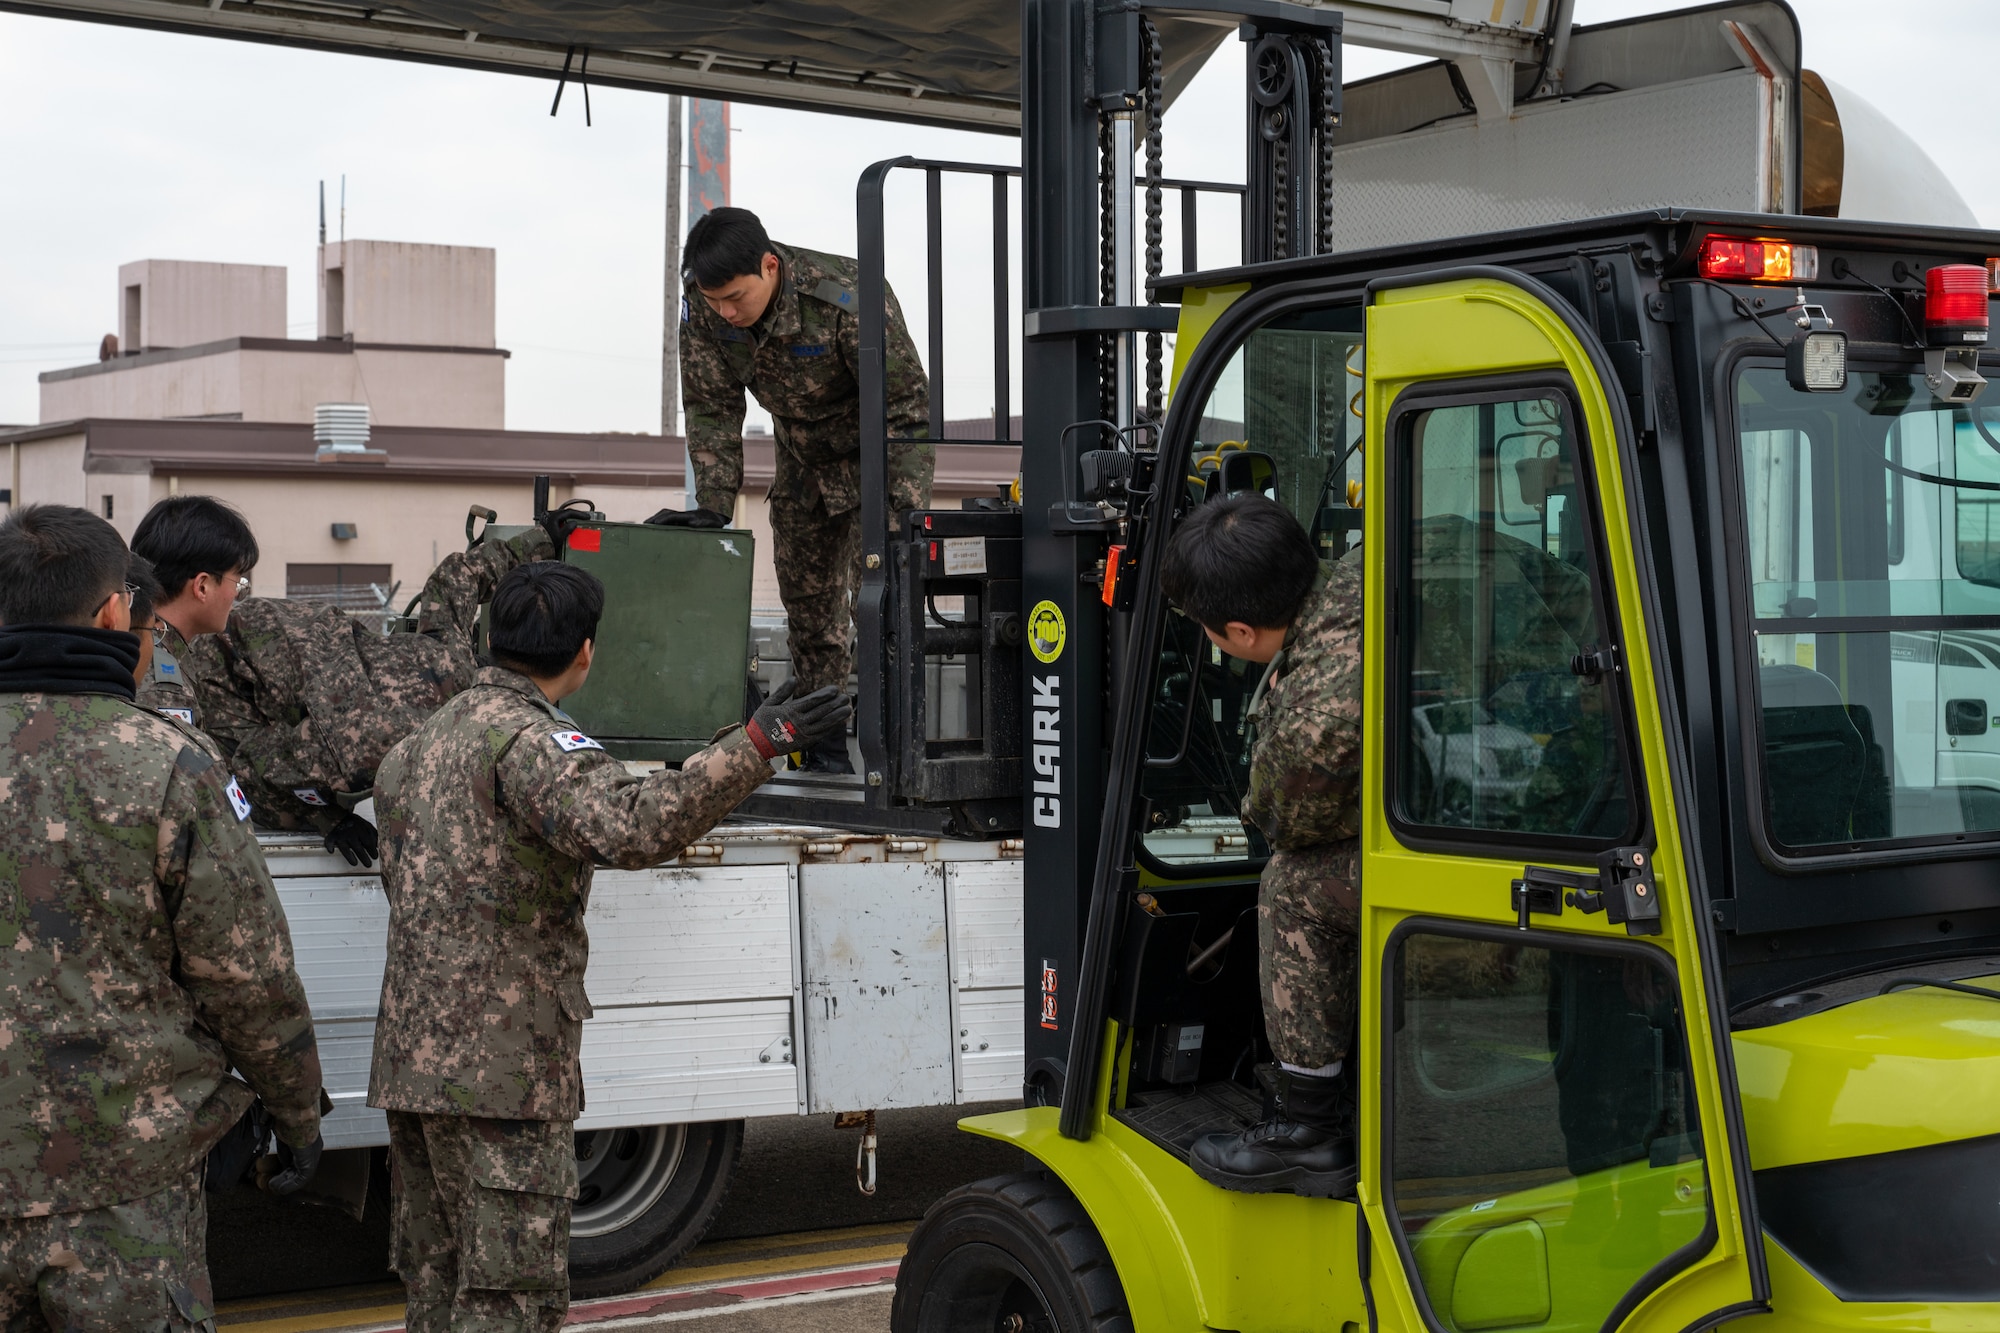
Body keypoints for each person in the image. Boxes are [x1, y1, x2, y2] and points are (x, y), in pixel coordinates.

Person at [367, 561, 850, 1330]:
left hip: (412, 1065)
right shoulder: (530, 741)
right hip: (501, 1075)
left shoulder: (417, 744)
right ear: (585, 651)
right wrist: (758, 743)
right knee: (509, 1299)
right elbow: (632, 823)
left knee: (442, 1287)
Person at [0, 504, 327, 1327]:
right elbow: (249, 977)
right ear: (116, 609)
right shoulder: (168, 763)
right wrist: (295, 1114)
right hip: (125, 1186)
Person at [656, 205, 934, 772]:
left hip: (874, 462)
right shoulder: (705, 312)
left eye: (736, 297)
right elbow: (711, 408)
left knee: (883, 607)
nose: (727, 313)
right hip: (803, 464)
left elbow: (906, 411)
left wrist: (901, 513)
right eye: (715, 301)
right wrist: (713, 505)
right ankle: (825, 753)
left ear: (770, 266)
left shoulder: (847, 298)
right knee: (810, 618)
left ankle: (902, 758)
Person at [132, 495, 555, 863]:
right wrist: (325, 816)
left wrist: (538, 543)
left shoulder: (183, 650)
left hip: (278, 699)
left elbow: (453, 581)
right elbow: (218, 787)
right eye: (237, 581)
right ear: (202, 586)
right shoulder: (164, 678)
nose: (239, 594)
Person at [1160, 495, 1363, 1196]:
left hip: (1509, 861)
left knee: (1293, 883)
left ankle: (1310, 1127)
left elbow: (1284, 821)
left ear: (1241, 631)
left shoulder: (1316, 713)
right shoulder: (1375, 563)